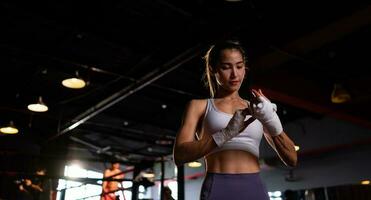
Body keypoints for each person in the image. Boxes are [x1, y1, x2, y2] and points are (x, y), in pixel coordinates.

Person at [173, 40, 298, 200]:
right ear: (213, 70)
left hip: (254, 187)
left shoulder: (256, 108)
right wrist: (226, 133)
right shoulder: (199, 106)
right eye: (226, 67)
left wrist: (270, 118)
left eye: (239, 66)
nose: (235, 74)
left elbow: (292, 159)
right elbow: (180, 155)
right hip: (218, 187)